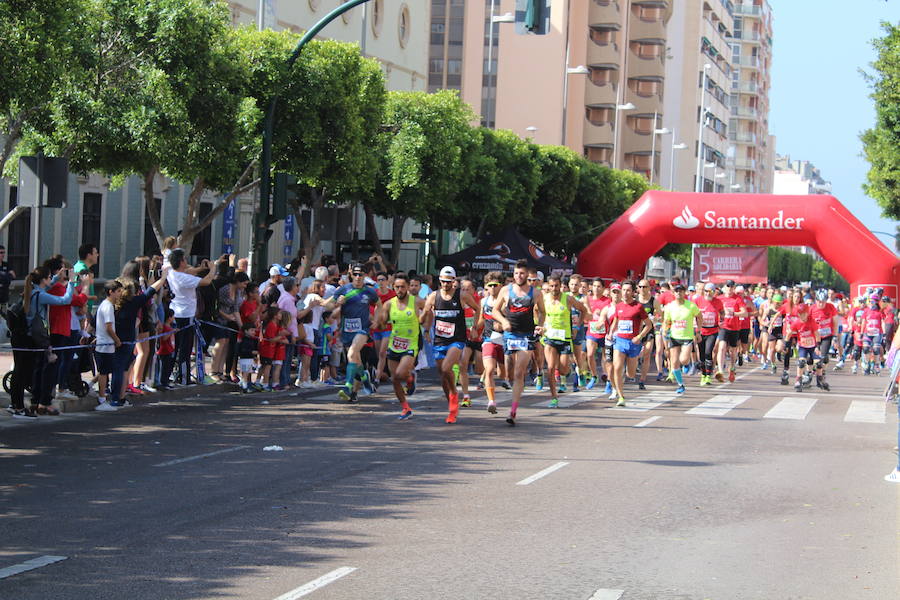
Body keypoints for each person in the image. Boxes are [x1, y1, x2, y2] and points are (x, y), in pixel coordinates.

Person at [421, 266, 481, 424]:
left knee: (447, 368)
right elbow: (427, 314)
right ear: (439, 280)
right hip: (440, 340)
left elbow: (477, 308)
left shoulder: (462, 296)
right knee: (442, 376)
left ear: (454, 281)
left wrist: (474, 327)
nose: (445, 285)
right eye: (443, 281)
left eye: (448, 282)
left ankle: (454, 393)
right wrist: (426, 329)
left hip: (457, 339)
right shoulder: (433, 296)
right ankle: (451, 404)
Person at [492, 260, 546, 426]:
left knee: (518, 372)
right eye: (516, 273)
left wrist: (540, 326)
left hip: (526, 335)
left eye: (522, 273)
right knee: (508, 374)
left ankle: (513, 410)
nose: (519, 276)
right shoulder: (505, 290)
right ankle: (514, 393)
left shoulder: (535, 293)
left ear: (527, 275)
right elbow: (495, 310)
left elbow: (543, 312)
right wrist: (503, 321)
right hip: (510, 334)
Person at [327, 263, 381, 403]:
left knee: (352, 353)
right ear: (351, 275)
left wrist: (375, 319)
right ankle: (364, 378)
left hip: (363, 329)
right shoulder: (344, 290)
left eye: (361, 275)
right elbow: (329, 307)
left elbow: (379, 305)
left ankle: (348, 387)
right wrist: (338, 303)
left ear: (365, 276)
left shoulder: (369, 292)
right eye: (355, 274)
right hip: (347, 330)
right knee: (354, 360)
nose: (358, 277)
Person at [376, 273, 424, 420]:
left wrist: (425, 325)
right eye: (397, 287)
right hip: (395, 343)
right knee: (395, 379)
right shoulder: (389, 304)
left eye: (403, 287)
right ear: (393, 287)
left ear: (408, 287)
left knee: (399, 374)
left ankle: (410, 376)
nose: (400, 289)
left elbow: (429, 310)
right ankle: (405, 408)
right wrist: (380, 319)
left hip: (411, 343)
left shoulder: (417, 301)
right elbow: (382, 323)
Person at [166, 249, 217, 385]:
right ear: (181, 262)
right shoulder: (184, 278)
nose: (187, 262)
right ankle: (183, 377)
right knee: (185, 348)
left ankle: (175, 375)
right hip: (185, 315)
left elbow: (189, 272)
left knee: (176, 346)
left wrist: (200, 268)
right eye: (185, 259)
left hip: (176, 313)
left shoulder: (172, 273)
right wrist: (212, 269)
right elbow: (206, 281)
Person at [541, 274, 588, 408]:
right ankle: (554, 397)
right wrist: (540, 326)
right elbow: (537, 311)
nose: (554, 288)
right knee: (550, 368)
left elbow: (583, 310)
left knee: (563, 370)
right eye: (551, 286)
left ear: (560, 286)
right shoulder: (544, 299)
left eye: (556, 285)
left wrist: (576, 327)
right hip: (550, 338)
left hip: (565, 338)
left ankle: (570, 369)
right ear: (548, 286)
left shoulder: (567, 298)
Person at [608, 280, 653, 406]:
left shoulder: (638, 307)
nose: (625, 293)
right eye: (623, 290)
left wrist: (639, 336)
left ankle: (633, 366)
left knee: (630, 374)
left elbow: (649, 325)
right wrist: (611, 333)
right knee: (616, 367)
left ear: (633, 292)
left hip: (633, 343)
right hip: (620, 341)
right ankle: (621, 396)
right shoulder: (619, 306)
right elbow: (615, 322)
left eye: (628, 290)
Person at [477, 271, 509, 415]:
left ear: (501, 286)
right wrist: (473, 328)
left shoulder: (507, 302)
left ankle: (505, 378)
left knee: (503, 374)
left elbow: (514, 320)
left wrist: (503, 325)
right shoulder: (484, 302)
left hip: (504, 341)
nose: (493, 288)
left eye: (496, 285)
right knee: (489, 370)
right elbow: (481, 319)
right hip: (489, 339)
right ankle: (491, 401)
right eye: (490, 285)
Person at [662, 284, 702, 395]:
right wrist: (665, 330)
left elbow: (699, 316)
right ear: (673, 293)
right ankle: (681, 385)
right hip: (674, 336)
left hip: (687, 337)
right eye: (676, 291)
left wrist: (698, 330)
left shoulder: (691, 306)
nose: (678, 293)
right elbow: (667, 321)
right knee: (674, 363)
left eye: (681, 291)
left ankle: (687, 364)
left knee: (684, 360)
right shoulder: (669, 307)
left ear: (685, 293)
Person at [94, 280, 123, 411]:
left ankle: (91, 386)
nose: (120, 294)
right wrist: (117, 340)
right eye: (118, 291)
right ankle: (101, 399)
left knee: (104, 371)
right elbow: (108, 327)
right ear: (110, 292)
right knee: (104, 373)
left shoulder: (106, 305)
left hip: (104, 344)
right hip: (105, 345)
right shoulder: (108, 306)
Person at [715, 280, 749, 382]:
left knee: (733, 351)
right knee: (721, 347)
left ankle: (732, 367)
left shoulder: (737, 299)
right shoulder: (719, 299)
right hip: (723, 327)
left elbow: (745, 313)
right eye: (728, 286)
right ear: (724, 287)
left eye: (731, 287)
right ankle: (720, 370)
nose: (729, 289)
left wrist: (734, 313)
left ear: (734, 288)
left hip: (735, 327)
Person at [784, 303, 821, 392]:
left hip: (812, 346)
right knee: (801, 362)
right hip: (803, 346)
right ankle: (798, 380)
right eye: (800, 314)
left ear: (807, 313)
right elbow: (789, 334)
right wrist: (786, 345)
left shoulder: (811, 321)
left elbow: (817, 334)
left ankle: (820, 379)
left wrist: (817, 346)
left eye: (804, 314)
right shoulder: (796, 322)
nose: (802, 316)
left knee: (818, 363)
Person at [156, 309, 177, 390]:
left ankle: (166, 381)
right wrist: (171, 332)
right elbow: (164, 338)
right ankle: (163, 382)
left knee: (168, 367)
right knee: (164, 367)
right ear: (169, 318)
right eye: (172, 317)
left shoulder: (169, 327)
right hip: (164, 350)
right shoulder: (165, 327)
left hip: (169, 349)